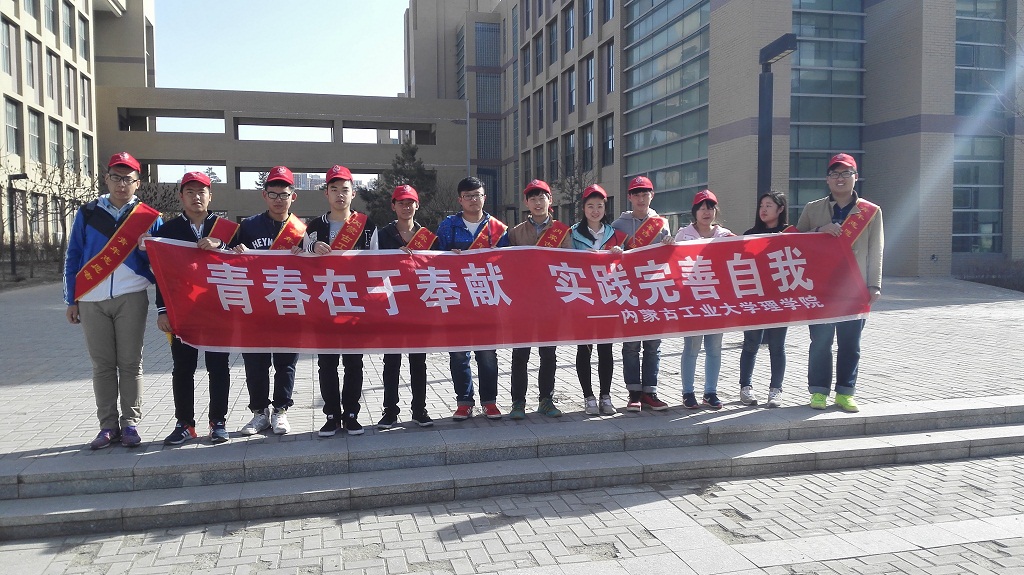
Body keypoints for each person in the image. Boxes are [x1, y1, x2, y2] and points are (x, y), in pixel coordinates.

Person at [64, 152, 162, 449]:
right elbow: (73, 256)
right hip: (91, 299)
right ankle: (107, 426)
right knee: (102, 365)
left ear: (138, 183)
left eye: (128, 179)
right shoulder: (88, 213)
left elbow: (161, 262)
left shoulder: (149, 217)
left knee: (131, 362)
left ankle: (130, 423)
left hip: (131, 296)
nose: (122, 184)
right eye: (116, 178)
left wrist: (146, 251)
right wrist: (71, 299)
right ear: (106, 179)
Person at [144, 171, 238, 444]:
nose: (196, 197)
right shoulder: (167, 231)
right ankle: (185, 423)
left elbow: (244, 262)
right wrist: (162, 310)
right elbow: (162, 276)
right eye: (190, 192)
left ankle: (218, 422)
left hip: (219, 310)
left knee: (218, 366)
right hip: (182, 311)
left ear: (211, 196)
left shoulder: (227, 229)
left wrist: (221, 245)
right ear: (181, 196)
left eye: (201, 192)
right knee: (183, 367)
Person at [796, 153, 883, 413]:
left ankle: (845, 392)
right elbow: (796, 243)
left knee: (850, 344)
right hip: (821, 287)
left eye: (846, 173)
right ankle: (818, 391)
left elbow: (876, 249)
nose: (840, 178)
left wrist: (874, 285)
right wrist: (818, 231)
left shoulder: (870, 211)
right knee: (820, 342)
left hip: (855, 287)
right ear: (827, 179)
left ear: (856, 177)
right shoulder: (813, 209)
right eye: (834, 174)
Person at [231, 166, 306, 435]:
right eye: (273, 194)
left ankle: (281, 411)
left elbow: (315, 269)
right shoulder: (248, 226)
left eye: (283, 194)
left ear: (293, 196)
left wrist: (306, 254)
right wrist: (235, 251)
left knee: (286, 363)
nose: (278, 199)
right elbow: (227, 259)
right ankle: (259, 413)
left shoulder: (302, 230)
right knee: (256, 362)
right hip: (255, 307)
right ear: (264, 195)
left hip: (289, 304)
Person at [304, 165, 377, 437]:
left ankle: (352, 414)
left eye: (344, 189)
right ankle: (332, 415)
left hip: (354, 304)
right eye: (334, 189)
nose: (339, 195)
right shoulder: (314, 227)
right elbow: (300, 263)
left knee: (354, 362)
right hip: (324, 304)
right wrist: (311, 248)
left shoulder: (367, 226)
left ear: (353, 193)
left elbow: (377, 263)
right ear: (326, 193)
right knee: (327, 363)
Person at [435, 176, 510, 420]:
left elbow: (509, 263)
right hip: (456, 299)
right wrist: (449, 256)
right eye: (468, 196)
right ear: (460, 200)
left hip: (487, 299)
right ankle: (464, 401)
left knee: (487, 354)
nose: (473, 200)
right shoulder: (448, 226)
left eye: (477, 195)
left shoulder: (498, 229)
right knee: (459, 353)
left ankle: (490, 401)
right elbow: (433, 260)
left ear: (484, 197)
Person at [369, 185, 438, 429]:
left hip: (418, 306)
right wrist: (392, 256)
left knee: (418, 362)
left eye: (410, 203)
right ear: (393, 206)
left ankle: (420, 410)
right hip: (391, 305)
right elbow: (371, 264)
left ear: (417, 205)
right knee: (392, 361)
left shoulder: (427, 236)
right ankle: (390, 411)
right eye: (401, 203)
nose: (406, 207)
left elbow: (438, 267)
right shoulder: (382, 235)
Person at [507, 179, 572, 420]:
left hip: (549, 302)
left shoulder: (563, 232)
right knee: (520, 355)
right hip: (523, 303)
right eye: (532, 198)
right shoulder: (515, 233)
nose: (537, 202)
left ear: (549, 200)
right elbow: (507, 267)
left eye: (541, 197)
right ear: (526, 203)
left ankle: (546, 400)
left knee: (548, 354)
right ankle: (518, 402)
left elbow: (570, 264)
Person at [611, 175, 672, 412]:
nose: (641, 198)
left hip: (654, 290)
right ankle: (634, 393)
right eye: (636, 194)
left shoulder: (661, 224)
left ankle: (650, 391)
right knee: (631, 346)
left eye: (645, 194)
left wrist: (670, 243)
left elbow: (668, 259)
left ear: (652, 196)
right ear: (629, 197)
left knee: (653, 345)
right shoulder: (619, 225)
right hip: (630, 292)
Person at [570, 184, 627, 415]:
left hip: (607, 297)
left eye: (600, 206)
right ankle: (588, 397)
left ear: (605, 208)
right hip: (582, 297)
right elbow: (562, 262)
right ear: (583, 208)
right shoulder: (572, 234)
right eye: (590, 206)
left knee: (606, 348)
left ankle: (606, 395)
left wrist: (620, 255)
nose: (595, 211)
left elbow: (629, 265)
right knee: (584, 349)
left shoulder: (616, 235)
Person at [675, 189, 735, 410]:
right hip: (692, 299)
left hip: (718, 299)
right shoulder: (683, 235)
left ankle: (710, 392)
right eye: (701, 208)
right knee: (691, 347)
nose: (706, 212)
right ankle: (688, 392)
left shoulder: (725, 235)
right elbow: (671, 263)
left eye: (710, 208)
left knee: (714, 348)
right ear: (695, 212)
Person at [738, 190, 791, 408]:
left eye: (769, 205)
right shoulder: (750, 235)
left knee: (777, 346)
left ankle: (775, 390)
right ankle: (745, 387)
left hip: (780, 298)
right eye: (761, 205)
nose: (764, 209)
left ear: (780, 209)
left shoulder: (790, 233)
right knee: (751, 344)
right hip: (754, 298)